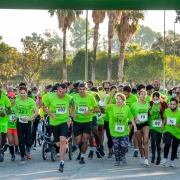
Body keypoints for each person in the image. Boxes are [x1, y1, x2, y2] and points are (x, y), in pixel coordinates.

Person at [43, 84, 74, 172]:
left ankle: (62, 162)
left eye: (63, 92)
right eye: (60, 92)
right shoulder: (50, 97)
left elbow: (73, 106)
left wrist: (70, 117)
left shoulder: (69, 98)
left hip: (64, 122)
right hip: (54, 122)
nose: (61, 94)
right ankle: (65, 146)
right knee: (58, 144)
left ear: (66, 92)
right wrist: (51, 114)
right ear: (57, 90)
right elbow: (44, 107)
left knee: (62, 139)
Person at [100, 93, 137, 165]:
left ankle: (122, 155)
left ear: (123, 100)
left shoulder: (127, 108)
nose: (118, 100)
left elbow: (131, 117)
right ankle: (117, 160)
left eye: (120, 99)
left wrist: (134, 125)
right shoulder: (112, 107)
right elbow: (103, 106)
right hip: (114, 131)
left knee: (124, 146)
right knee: (116, 147)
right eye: (117, 99)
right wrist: (102, 98)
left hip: (124, 131)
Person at [72, 83, 99, 164]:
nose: (82, 91)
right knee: (78, 141)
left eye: (84, 89)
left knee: (85, 140)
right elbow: (70, 108)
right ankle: (80, 152)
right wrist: (73, 114)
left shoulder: (91, 97)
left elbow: (97, 109)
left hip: (87, 121)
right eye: (80, 89)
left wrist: (90, 111)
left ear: (86, 89)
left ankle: (82, 157)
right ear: (78, 89)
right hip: (77, 121)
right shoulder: (74, 97)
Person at [15, 86, 38, 164]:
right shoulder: (17, 100)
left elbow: (36, 112)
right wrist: (15, 117)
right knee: (21, 140)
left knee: (28, 142)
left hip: (28, 123)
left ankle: (28, 147)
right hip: (20, 122)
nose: (22, 95)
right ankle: (22, 157)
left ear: (27, 93)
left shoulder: (31, 101)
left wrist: (28, 118)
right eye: (21, 93)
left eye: (24, 93)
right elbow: (16, 109)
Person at [131, 89, 150, 166]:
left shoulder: (148, 104)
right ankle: (142, 156)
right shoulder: (134, 104)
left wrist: (150, 112)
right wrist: (135, 121)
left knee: (146, 141)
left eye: (144, 94)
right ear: (139, 95)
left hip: (145, 123)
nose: (143, 96)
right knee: (139, 141)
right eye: (141, 94)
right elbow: (131, 115)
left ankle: (146, 159)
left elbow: (149, 113)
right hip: (138, 123)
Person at [149, 92, 168, 165]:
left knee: (158, 142)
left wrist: (161, 111)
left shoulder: (163, 104)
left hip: (160, 125)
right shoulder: (150, 103)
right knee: (153, 140)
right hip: (152, 124)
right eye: (154, 99)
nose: (155, 100)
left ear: (160, 98)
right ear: (152, 98)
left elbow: (166, 114)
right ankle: (153, 156)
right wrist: (148, 112)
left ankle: (158, 157)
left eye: (157, 99)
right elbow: (146, 112)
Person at [161, 98, 180, 167]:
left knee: (175, 146)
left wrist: (179, 125)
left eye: (174, 104)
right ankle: (165, 158)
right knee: (167, 143)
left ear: (177, 105)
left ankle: (172, 160)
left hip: (177, 132)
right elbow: (165, 119)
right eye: (171, 104)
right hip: (168, 129)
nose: (172, 106)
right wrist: (163, 124)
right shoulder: (166, 110)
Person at [0, 85, 11, 162]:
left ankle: (1, 148)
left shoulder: (5, 98)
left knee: (3, 139)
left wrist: (5, 113)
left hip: (4, 121)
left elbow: (9, 109)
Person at [7, 92, 19, 161]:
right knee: (10, 141)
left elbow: (18, 113)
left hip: (16, 126)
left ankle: (17, 147)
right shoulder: (6, 106)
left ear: (15, 99)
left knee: (16, 142)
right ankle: (12, 155)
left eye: (12, 98)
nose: (11, 99)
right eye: (9, 98)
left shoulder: (16, 105)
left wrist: (15, 118)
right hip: (8, 126)